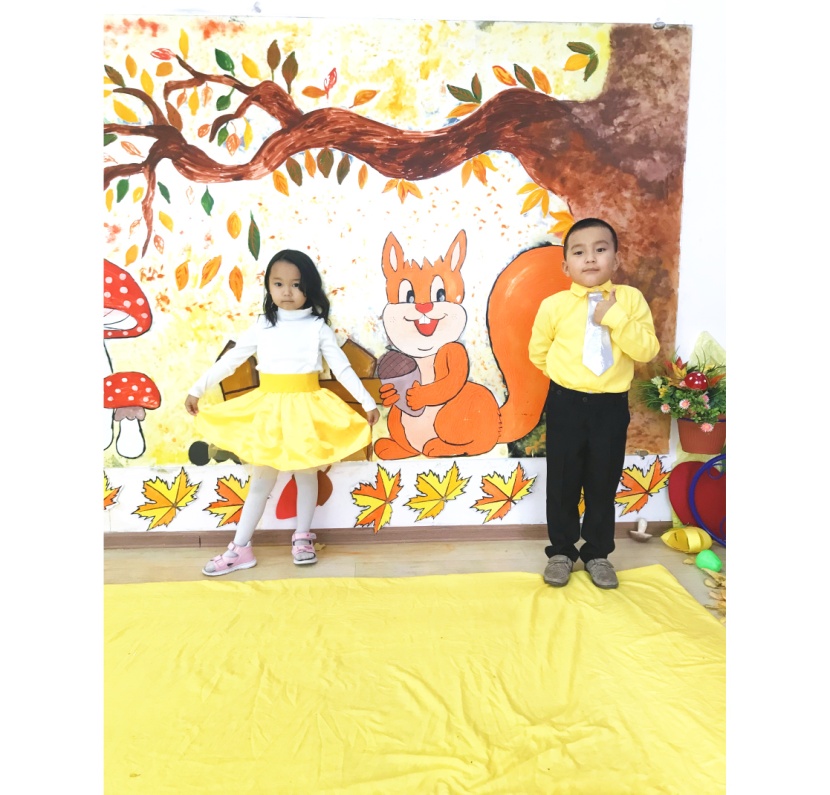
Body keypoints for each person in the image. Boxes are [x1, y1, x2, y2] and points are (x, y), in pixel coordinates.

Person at [185, 249, 380, 575]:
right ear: (269, 287)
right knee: (261, 481)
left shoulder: (317, 327)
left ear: (309, 287)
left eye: (296, 284)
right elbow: (231, 361)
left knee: (306, 475)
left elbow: (342, 368)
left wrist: (368, 402)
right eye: (278, 284)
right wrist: (197, 389)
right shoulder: (262, 325)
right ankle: (240, 548)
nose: (287, 292)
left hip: (306, 411)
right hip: (269, 412)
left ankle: (302, 537)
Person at [528, 218, 660, 589]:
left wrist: (614, 317)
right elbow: (538, 352)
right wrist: (566, 379)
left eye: (600, 250)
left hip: (610, 407)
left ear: (615, 259)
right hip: (566, 403)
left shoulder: (629, 300)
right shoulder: (553, 306)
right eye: (579, 252)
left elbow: (647, 350)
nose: (590, 258)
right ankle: (561, 552)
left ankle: (598, 554)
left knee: (603, 480)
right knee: (563, 481)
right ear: (565, 265)